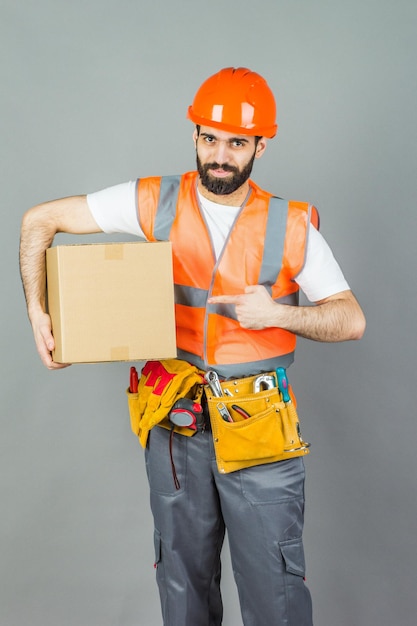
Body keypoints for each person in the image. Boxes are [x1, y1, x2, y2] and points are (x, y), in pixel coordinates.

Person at [20, 67, 366, 626]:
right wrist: (38, 313)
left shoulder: (292, 223)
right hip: (177, 426)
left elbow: (350, 320)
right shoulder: (153, 200)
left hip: (259, 429)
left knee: (275, 597)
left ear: (260, 145)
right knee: (181, 592)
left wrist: (276, 313)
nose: (220, 155)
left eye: (236, 142)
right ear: (195, 136)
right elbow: (40, 221)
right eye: (210, 138)